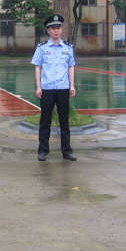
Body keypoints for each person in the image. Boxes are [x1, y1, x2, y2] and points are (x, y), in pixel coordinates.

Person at [31, 15, 77, 162]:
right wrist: (38, 87)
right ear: (48, 30)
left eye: (58, 28)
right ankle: (43, 151)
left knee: (64, 121)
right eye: (53, 28)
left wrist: (72, 85)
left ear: (61, 30)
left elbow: (71, 66)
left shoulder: (68, 48)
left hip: (63, 88)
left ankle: (67, 151)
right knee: (45, 121)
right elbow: (38, 67)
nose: (56, 30)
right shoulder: (42, 48)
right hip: (47, 88)